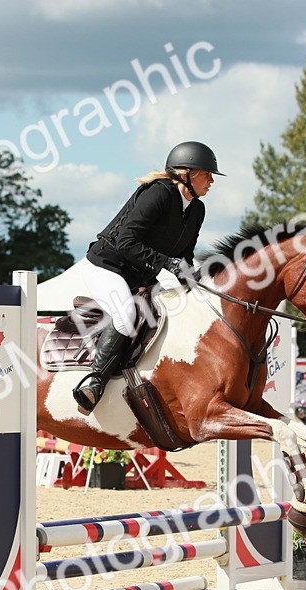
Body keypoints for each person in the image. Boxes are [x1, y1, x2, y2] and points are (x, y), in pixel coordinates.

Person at [71, 141, 222, 414]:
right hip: (107, 266)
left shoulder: (196, 210)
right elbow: (126, 242)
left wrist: (196, 283)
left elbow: (185, 256)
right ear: (186, 174)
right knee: (126, 314)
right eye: (207, 174)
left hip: (141, 274)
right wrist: (168, 264)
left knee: (177, 310)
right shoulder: (158, 194)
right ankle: (94, 382)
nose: (212, 181)